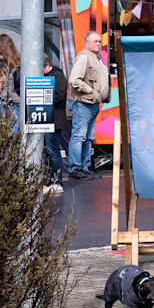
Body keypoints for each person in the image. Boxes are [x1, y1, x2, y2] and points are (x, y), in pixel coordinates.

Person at [67, 30, 107, 180]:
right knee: (79, 136)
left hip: (92, 104)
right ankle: (75, 168)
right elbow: (74, 81)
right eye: (95, 41)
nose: (98, 43)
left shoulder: (97, 57)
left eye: (99, 41)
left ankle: (84, 167)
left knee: (88, 137)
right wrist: (91, 91)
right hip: (83, 104)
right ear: (86, 43)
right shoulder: (84, 57)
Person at [41, 56, 69, 192]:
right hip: (48, 119)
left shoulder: (57, 76)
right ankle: (50, 181)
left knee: (53, 151)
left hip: (54, 120)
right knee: (49, 151)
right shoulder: (55, 76)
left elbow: (59, 96)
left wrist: (42, 94)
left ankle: (57, 181)